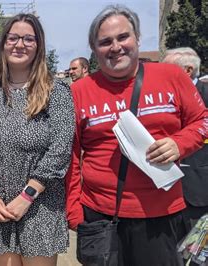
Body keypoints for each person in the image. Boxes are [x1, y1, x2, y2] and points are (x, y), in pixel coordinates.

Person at [65, 5, 207, 265]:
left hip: (162, 214)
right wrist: (74, 208)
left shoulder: (172, 76)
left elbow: (203, 120)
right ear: (94, 49)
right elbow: (71, 153)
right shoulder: (80, 91)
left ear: (137, 39)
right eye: (105, 42)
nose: (116, 47)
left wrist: (180, 143)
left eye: (123, 37)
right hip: (101, 215)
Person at [0, 14, 74, 266]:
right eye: (13, 38)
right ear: (3, 44)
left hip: (39, 206)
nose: (20, 44)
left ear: (39, 46)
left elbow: (60, 149)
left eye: (28, 39)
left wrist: (27, 196)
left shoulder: (56, 92)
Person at [162, 47, 208, 230]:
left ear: (187, 70)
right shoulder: (161, 98)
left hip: (200, 190)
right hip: (165, 190)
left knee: (198, 253)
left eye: (167, 70)